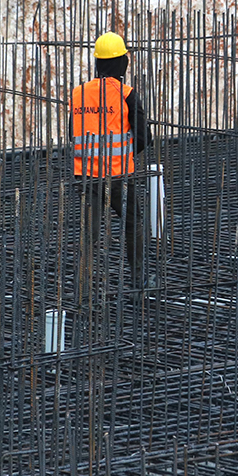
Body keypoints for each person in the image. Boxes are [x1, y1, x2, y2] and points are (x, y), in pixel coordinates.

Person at [70, 31, 154, 291]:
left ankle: (82, 287)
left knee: (89, 234)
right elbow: (144, 137)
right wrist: (124, 154)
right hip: (119, 177)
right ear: (123, 63)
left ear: (97, 63)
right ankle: (139, 281)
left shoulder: (78, 93)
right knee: (133, 224)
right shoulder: (127, 94)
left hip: (85, 176)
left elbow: (73, 133)